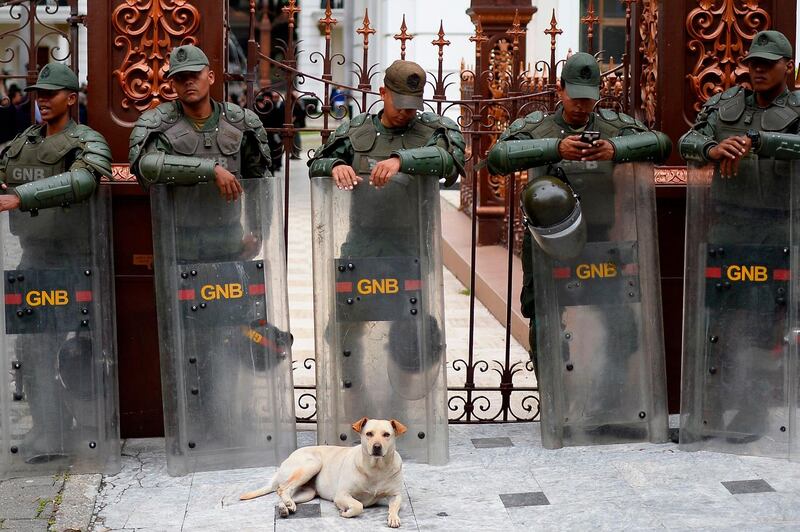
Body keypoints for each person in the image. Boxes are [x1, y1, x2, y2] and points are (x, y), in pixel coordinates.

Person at [487, 52, 671, 446]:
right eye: (576, 96)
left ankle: (610, 402)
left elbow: (662, 144)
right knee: (546, 320)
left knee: (621, 321)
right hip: (548, 240)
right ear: (560, 89)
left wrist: (615, 151)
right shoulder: (537, 127)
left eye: (590, 97)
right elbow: (496, 158)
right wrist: (556, 148)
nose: (582, 105)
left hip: (604, 241)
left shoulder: (613, 127)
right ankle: (557, 404)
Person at [129, 44, 292, 474]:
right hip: (181, 251)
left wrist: (258, 229)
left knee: (230, 339)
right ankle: (193, 430)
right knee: (187, 344)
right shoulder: (156, 123)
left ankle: (229, 424)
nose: (187, 82)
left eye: (193, 74)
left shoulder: (242, 122)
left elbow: (261, 178)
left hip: (228, 249)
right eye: (178, 77)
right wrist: (208, 170)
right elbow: (145, 166)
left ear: (210, 75)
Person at [307, 60, 465, 463]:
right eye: (400, 103)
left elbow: (452, 164)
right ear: (382, 93)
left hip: (410, 247)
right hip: (360, 246)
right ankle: (354, 415)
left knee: (408, 332)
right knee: (343, 333)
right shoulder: (357, 129)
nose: (407, 112)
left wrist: (401, 161)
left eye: (414, 104)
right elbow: (316, 164)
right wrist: (338, 165)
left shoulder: (433, 130)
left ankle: (404, 418)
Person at [679, 30, 800, 446]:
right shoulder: (725, 103)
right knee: (722, 318)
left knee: (767, 322)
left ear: (789, 65)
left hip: (781, 228)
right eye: (754, 63)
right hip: (728, 226)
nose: (760, 70)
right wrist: (713, 149)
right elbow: (687, 140)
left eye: (769, 63)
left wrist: (763, 142)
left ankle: (752, 409)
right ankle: (711, 407)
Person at [0, 63, 113, 463]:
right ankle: (48, 431)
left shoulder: (87, 141)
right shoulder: (21, 143)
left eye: (50, 93)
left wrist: (22, 196)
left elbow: (84, 181)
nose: (42, 101)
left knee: (86, 348)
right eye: (38, 94)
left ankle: (95, 427)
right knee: (31, 351)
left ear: (71, 98)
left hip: (78, 260)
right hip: (34, 258)